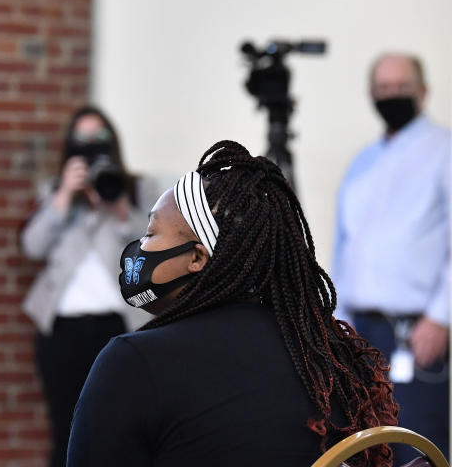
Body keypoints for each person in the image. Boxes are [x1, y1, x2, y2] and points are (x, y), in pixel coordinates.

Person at [68, 141, 399, 467]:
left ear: (197, 257)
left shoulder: (131, 363)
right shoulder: (328, 355)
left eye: (151, 233)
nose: (140, 246)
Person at [332, 53, 450, 462]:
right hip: (360, 333)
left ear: (423, 90)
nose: (392, 95)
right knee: (363, 449)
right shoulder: (363, 162)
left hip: (415, 335)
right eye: (383, 89)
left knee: (413, 448)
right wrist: (337, 321)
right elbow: (343, 247)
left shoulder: (444, 150)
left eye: (401, 87)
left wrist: (441, 315)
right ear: (371, 94)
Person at [21, 106, 152, 467]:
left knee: (118, 429)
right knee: (66, 431)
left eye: (100, 137)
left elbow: (150, 248)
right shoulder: (54, 190)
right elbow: (32, 246)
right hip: (62, 331)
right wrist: (65, 195)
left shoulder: (135, 189)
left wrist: (118, 207)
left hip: (119, 329)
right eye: (83, 138)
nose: (92, 146)